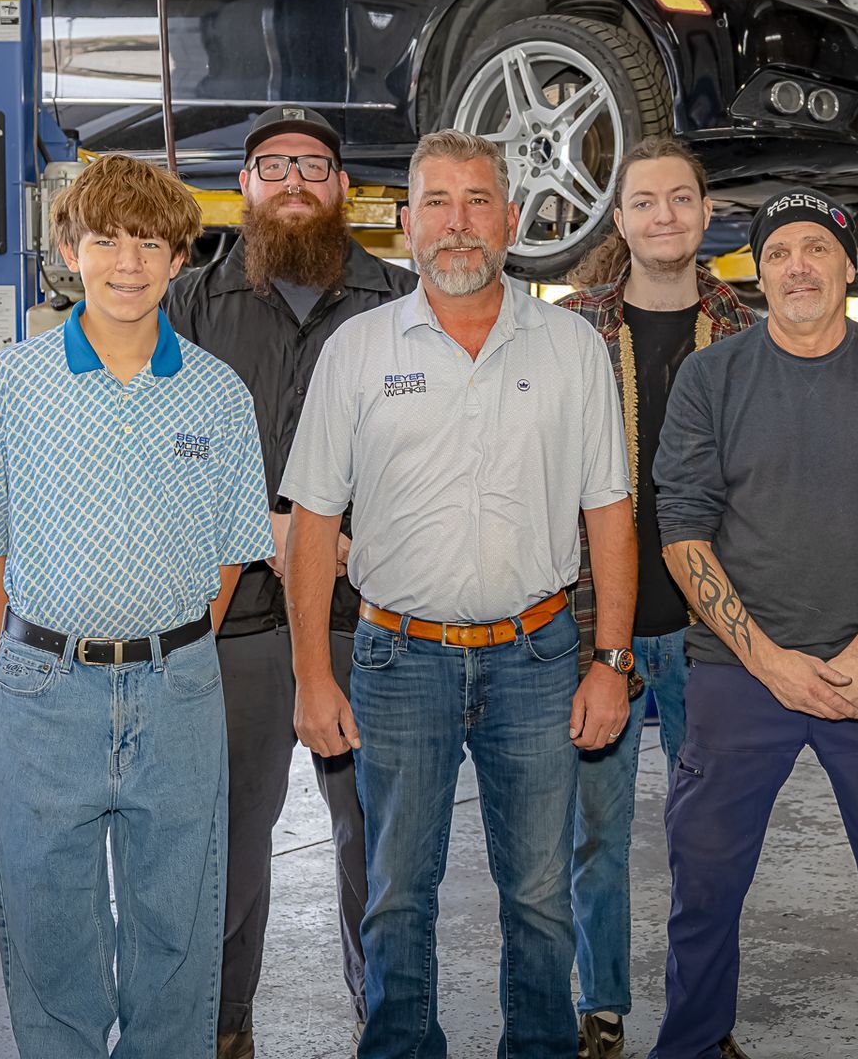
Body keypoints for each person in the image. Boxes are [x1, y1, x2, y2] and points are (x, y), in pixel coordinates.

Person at [280, 129, 636, 1059]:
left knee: (539, 894)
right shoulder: (357, 352)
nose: (458, 223)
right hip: (398, 661)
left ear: (512, 220)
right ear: (406, 226)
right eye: (437, 202)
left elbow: (611, 515)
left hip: (540, 656)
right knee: (397, 892)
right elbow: (311, 522)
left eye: (478, 201)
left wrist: (610, 662)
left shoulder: (570, 347)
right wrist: (313, 676)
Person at [0, 154, 275, 1059]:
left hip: (179, 687)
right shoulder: (11, 385)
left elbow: (226, 566)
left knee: (176, 928)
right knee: (49, 925)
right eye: (106, 240)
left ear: (181, 259)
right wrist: (37, 645)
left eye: (150, 243)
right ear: (68, 249)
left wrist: (162, 652)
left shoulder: (219, 393)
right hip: (43, 691)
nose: (127, 263)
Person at [650, 190, 858, 1059]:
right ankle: (693, 1042)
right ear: (758, 273)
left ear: (848, 265)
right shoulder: (711, 376)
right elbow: (681, 526)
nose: (798, 266)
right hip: (735, 673)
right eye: (780, 251)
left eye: (816, 250)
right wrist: (768, 662)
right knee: (704, 883)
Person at [164, 106, 417, 1058]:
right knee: (227, 843)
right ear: (248, 186)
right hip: (226, 617)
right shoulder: (189, 303)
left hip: (366, 611)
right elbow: (154, 444)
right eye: (274, 167)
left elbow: (429, 450)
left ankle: (383, 1024)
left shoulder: (399, 300)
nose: (295, 181)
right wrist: (252, 524)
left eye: (314, 165)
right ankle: (226, 1031)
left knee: (377, 843)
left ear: (344, 189)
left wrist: (351, 532)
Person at [556, 134, 754, 1059]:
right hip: (601, 627)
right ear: (620, 217)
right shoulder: (571, 328)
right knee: (597, 833)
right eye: (645, 201)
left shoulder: (750, 330)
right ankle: (601, 1006)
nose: (664, 215)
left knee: (707, 842)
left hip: (714, 632)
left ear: (706, 212)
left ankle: (701, 1018)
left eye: (681, 198)